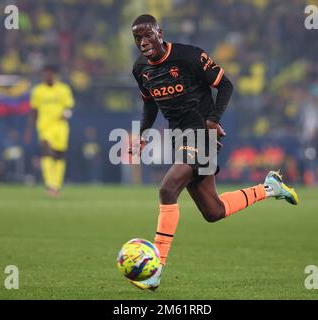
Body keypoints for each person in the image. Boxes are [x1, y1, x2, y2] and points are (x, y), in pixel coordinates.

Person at [128, 14, 299, 290]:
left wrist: (213, 120)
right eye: (138, 38)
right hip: (180, 137)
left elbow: (226, 85)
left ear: (160, 32)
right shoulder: (140, 69)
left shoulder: (189, 57)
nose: (143, 42)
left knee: (167, 189)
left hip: (200, 132)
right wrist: (143, 135)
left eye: (148, 34)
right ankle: (270, 188)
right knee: (213, 211)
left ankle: (155, 269)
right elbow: (150, 104)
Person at [24, 64, 75, 197]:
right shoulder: (38, 91)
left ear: (55, 75)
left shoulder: (63, 89)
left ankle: (56, 186)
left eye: (49, 73)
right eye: (45, 73)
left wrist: (66, 114)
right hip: (44, 127)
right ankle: (49, 184)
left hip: (60, 127)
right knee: (46, 152)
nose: (47, 76)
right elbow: (33, 111)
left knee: (58, 156)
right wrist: (29, 131)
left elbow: (69, 107)